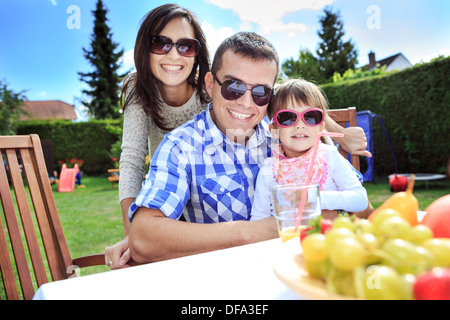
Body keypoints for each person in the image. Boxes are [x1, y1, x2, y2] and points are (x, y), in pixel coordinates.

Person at [105, 31, 372, 268]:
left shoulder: (285, 134)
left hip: (302, 268)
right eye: (233, 87)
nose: (246, 102)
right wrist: (263, 230)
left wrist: (341, 136)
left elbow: (363, 209)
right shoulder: (182, 147)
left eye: (260, 93)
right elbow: (144, 237)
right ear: (210, 84)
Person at [118, 4, 211, 236]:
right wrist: (133, 237)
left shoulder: (209, 91)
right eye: (161, 43)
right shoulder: (137, 87)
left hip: (207, 206)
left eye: (186, 46)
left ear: (197, 53)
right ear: (144, 49)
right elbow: (132, 160)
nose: (173, 55)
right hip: (163, 203)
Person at [250, 79, 369, 222]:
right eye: (287, 118)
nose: (300, 125)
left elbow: (360, 199)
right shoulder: (269, 168)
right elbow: (258, 218)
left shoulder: (328, 156)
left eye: (311, 117)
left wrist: (316, 198)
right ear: (274, 130)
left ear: (320, 127)